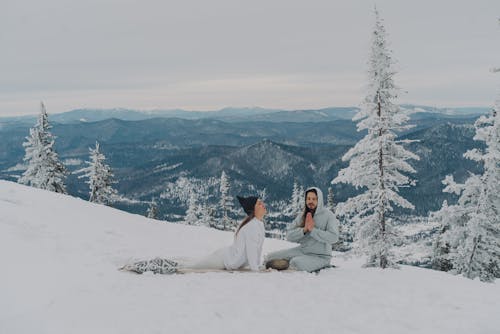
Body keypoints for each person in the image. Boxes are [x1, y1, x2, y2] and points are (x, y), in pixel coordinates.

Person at [121, 195, 266, 274]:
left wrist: (258, 267)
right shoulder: (252, 227)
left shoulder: (257, 225)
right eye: (259, 203)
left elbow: (256, 251)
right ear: (252, 210)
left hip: (225, 257)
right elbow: (252, 251)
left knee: (190, 264)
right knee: (188, 267)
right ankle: (145, 266)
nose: (263, 205)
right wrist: (256, 270)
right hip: (223, 260)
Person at [264, 186, 339, 272]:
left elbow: (334, 237)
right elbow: (289, 235)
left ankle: (287, 263)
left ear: (319, 200)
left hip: (321, 256)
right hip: (302, 251)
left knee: (296, 263)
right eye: (308, 199)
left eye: (314, 199)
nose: (311, 201)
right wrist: (304, 230)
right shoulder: (302, 216)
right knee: (270, 257)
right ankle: (284, 263)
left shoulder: (328, 215)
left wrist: (313, 230)